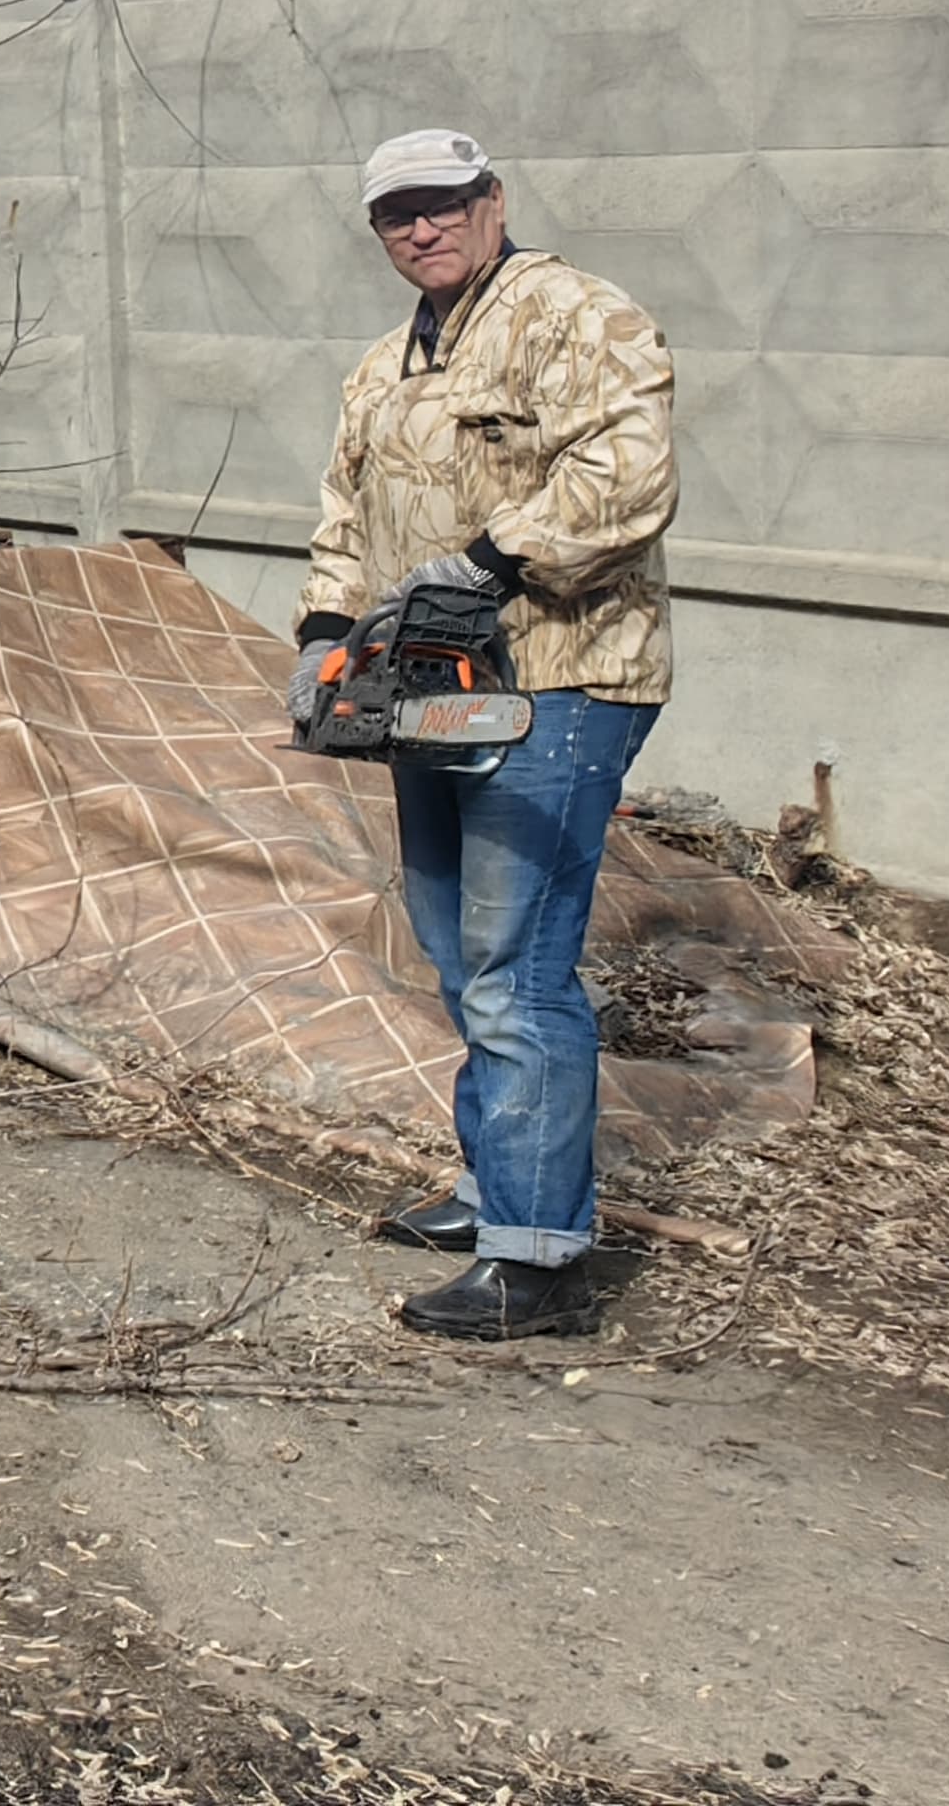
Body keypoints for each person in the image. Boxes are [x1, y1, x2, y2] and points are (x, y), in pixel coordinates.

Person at [295, 127, 678, 1342]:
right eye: (396, 213)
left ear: (491, 200)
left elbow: (628, 469)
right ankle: (494, 1187)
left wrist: (489, 562)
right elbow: (341, 514)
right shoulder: (382, 364)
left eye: (442, 203)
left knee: (517, 970)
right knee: (458, 953)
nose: (421, 227)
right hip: (431, 689)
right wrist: (321, 634)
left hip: (562, 675)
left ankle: (537, 1261)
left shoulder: (573, 314)